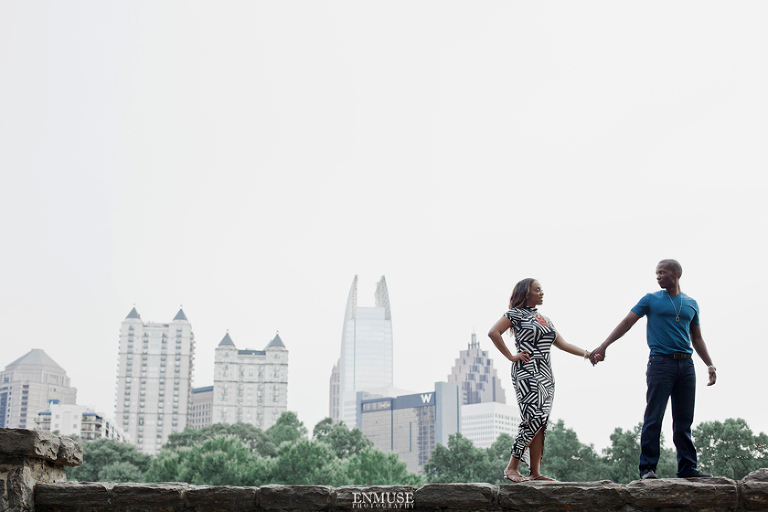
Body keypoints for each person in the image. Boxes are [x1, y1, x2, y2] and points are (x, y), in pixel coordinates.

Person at [591, 259, 717, 479]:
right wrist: (604, 345)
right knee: (654, 416)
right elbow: (626, 322)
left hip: (686, 365)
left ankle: (688, 468)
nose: (658, 276)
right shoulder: (650, 300)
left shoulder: (691, 303)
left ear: (676, 274)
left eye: (662, 272)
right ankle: (647, 468)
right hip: (661, 363)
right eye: (656, 273)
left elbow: (696, 338)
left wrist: (709, 364)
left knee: (683, 420)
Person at [488, 278, 593, 482]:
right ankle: (512, 467)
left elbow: (562, 344)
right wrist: (511, 356)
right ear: (526, 293)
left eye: (541, 289)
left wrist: (588, 354)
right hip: (527, 371)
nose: (542, 293)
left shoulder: (545, 319)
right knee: (533, 418)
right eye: (537, 290)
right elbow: (493, 333)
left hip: (546, 374)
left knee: (541, 422)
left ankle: (535, 473)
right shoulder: (514, 314)